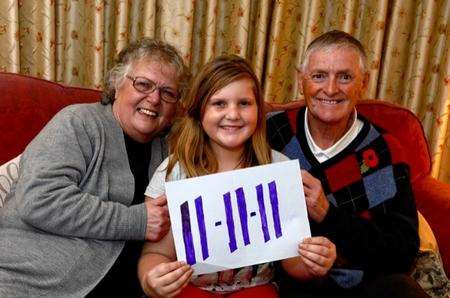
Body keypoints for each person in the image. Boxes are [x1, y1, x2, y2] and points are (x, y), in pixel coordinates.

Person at [0, 38, 190, 297]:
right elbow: (39, 199)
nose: (154, 99)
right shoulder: (78, 122)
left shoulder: (172, 147)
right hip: (33, 284)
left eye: (168, 93)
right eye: (143, 84)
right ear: (117, 84)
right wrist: (137, 220)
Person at [138, 55, 337, 298]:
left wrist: (313, 262)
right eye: (219, 104)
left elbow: (292, 262)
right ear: (200, 111)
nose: (232, 114)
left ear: (259, 109)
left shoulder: (278, 168)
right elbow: (154, 253)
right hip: (189, 288)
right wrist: (152, 280)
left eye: (244, 103)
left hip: (257, 290)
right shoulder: (175, 172)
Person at [267, 30, 428, 297]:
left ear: (363, 83)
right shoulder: (271, 133)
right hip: (290, 281)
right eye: (319, 76)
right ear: (301, 80)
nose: (330, 89)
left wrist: (328, 215)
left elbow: (402, 251)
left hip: (361, 283)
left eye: (344, 77)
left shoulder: (385, 151)